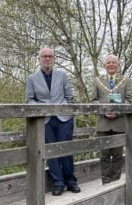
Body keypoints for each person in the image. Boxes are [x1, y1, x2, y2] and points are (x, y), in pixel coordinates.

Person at [25, 47, 80, 196]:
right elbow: (29, 100)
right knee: (50, 152)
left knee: (66, 150)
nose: (47, 59)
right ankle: (58, 183)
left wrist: (69, 114)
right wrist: (43, 109)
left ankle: (71, 181)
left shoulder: (62, 76)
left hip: (63, 119)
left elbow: (70, 97)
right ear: (39, 59)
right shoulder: (31, 78)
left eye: (50, 56)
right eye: (45, 56)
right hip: (45, 120)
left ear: (54, 59)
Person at [90, 54, 132, 184]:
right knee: (104, 155)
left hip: (119, 124)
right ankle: (105, 181)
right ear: (104, 65)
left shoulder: (126, 80)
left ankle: (115, 182)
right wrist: (104, 112)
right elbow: (93, 101)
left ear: (118, 65)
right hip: (103, 124)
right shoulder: (97, 81)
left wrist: (118, 112)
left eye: (113, 63)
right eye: (108, 62)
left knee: (117, 155)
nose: (111, 65)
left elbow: (130, 100)